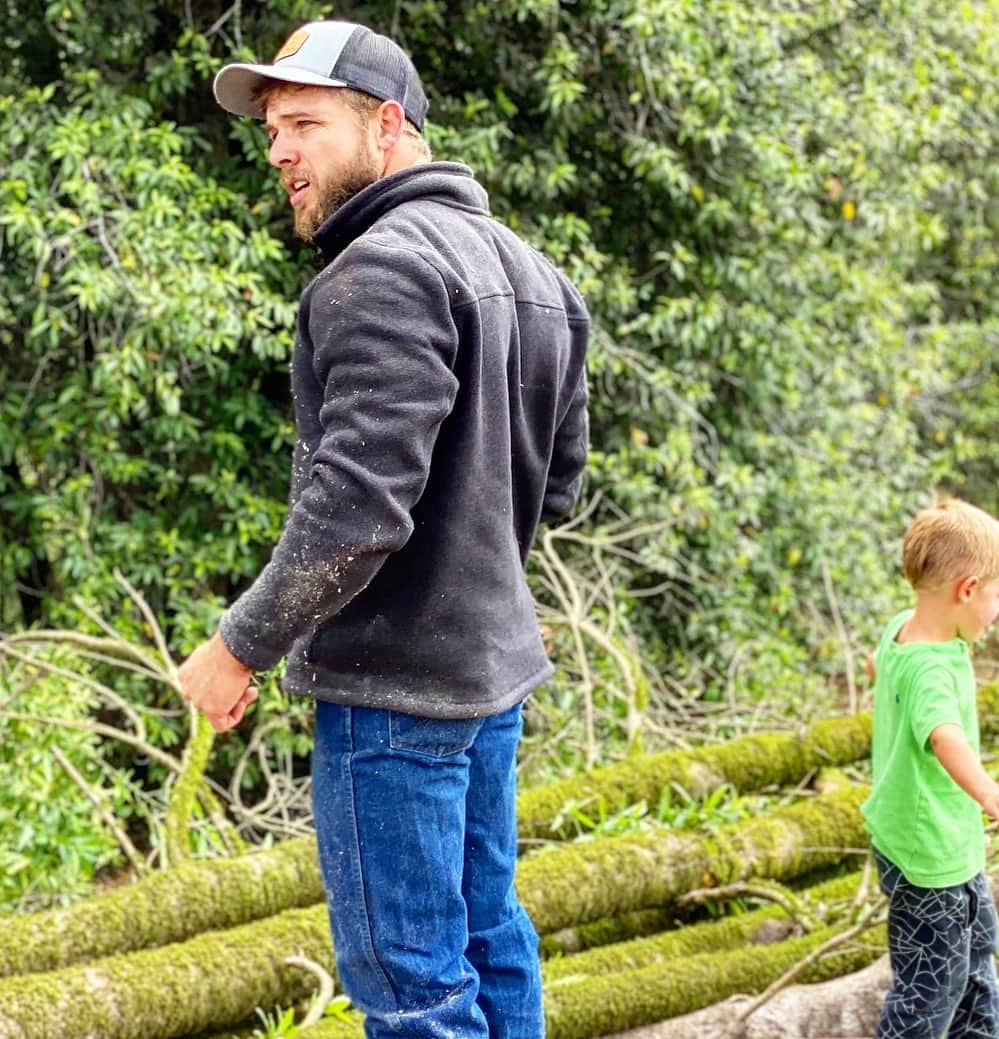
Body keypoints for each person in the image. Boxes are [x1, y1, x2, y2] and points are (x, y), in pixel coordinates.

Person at [177, 20, 589, 1039]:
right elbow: (562, 487)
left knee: (412, 987)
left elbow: (358, 507)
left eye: (305, 123)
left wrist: (238, 646)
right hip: (488, 675)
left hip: (391, 694)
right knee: (490, 936)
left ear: (389, 124)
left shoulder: (380, 272)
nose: (280, 151)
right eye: (272, 130)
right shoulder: (536, 276)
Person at [862, 498, 999, 1039]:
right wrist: (990, 793)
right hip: (927, 852)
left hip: (944, 844)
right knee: (930, 990)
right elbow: (944, 737)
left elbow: (880, 662)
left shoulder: (904, 630)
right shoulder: (930, 669)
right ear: (967, 589)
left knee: (977, 951)